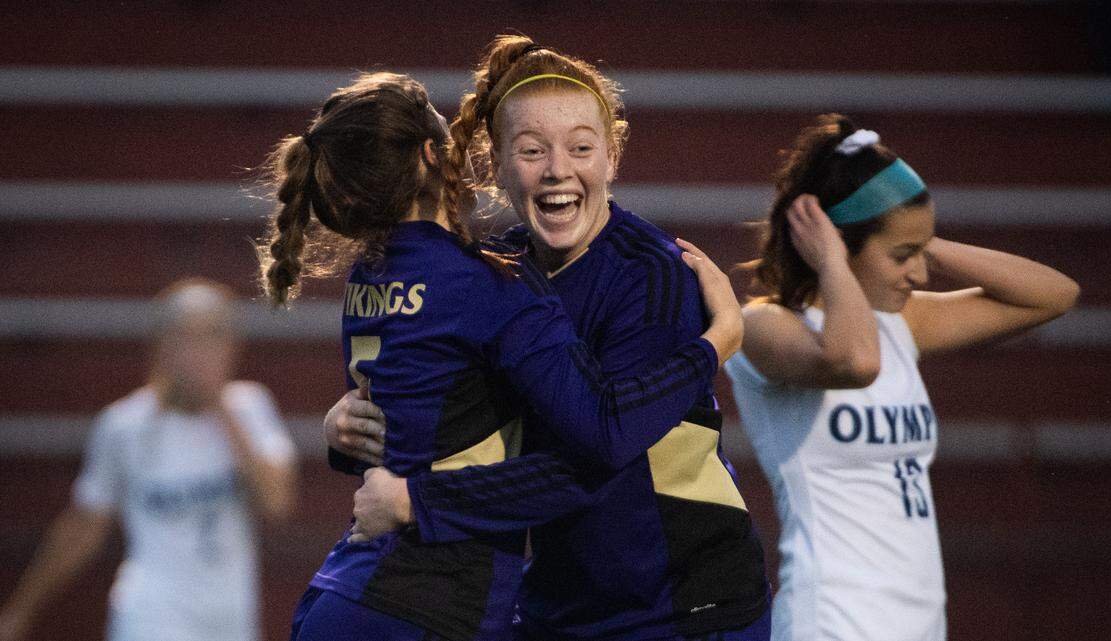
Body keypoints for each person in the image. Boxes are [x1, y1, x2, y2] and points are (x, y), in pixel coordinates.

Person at [255, 71, 743, 641]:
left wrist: (362, 450)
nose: (558, 167)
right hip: (437, 608)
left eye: (580, 147)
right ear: (463, 159)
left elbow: (436, 424)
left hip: (358, 591)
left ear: (611, 155)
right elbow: (603, 435)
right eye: (533, 150)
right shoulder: (493, 279)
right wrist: (717, 344)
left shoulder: (377, 270)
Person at [721, 116, 1080, 641]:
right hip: (833, 620)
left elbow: (1054, 294)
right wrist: (833, 262)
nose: (920, 275)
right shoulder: (765, 326)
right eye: (902, 257)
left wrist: (920, 238)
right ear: (836, 244)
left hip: (919, 623)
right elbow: (854, 363)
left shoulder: (896, 324)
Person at [0, 279, 297, 641]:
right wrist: (22, 609)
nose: (200, 351)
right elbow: (83, 528)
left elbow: (276, 502)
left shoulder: (252, 408)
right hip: (151, 617)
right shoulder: (125, 425)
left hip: (230, 621)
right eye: (187, 337)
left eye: (213, 336)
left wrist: (221, 410)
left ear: (232, 346)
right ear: (162, 347)